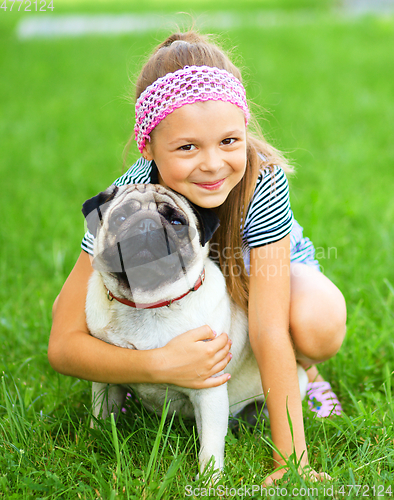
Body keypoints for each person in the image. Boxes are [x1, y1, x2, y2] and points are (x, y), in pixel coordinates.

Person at [48, 31, 347, 485]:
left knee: (317, 321)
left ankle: (304, 376)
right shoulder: (124, 206)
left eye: (229, 141)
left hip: (252, 267)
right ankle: (145, 385)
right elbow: (64, 343)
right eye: (187, 147)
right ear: (147, 148)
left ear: (245, 127)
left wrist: (292, 462)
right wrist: (157, 365)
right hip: (181, 286)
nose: (212, 164)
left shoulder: (261, 182)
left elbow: (267, 328)